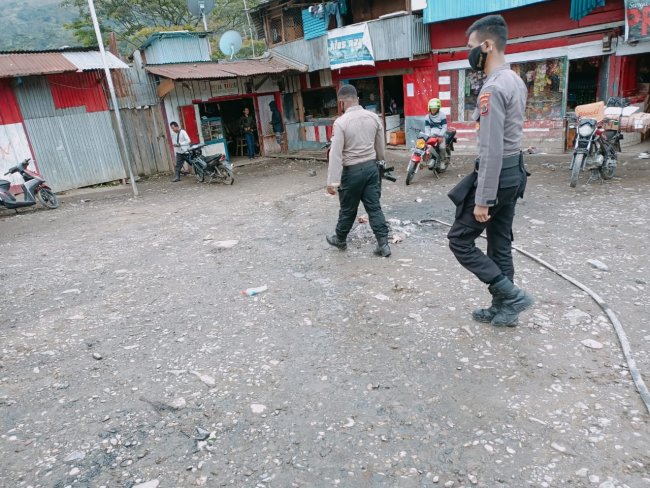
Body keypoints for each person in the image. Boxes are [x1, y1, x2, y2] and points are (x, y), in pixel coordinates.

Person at [446, 14, 533, 327]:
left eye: (471, 47)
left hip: (496, 177)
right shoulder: (514, 80)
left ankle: (511, 297)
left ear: (487, 45)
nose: (468, 53)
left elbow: (491, 148)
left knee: (459, 239)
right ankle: (504, 310)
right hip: (513, 174)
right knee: (499, 243)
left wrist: (482, 198)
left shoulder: (493, 88)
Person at [326, 84, 391, 257]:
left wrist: (332, 182)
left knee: (348, 209)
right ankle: (383, 244)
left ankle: (340, 239)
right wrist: (380, 163)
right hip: (371, 169)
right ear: (357, 99)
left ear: (341, 103)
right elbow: (380, 147)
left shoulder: (340, 123)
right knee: (374, 207)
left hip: (352, 172)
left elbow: (336, 154)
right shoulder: (373, 117)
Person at [424, 98, 449, 168]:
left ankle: (442, 161)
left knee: (442, 147)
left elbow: (444, 127)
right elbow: (427, 127)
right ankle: (429, 160)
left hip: (440, 135)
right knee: (427, 147)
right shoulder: (427, 117)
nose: (434, 110)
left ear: (438, 108)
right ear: (429, 108)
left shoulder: (442, 115)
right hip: (431, 136)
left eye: (435, 108)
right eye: (432, 108)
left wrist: (441, 136)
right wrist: (428, 136)